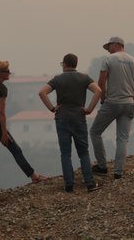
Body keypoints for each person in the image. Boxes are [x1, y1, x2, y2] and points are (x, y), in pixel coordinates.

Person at [0, 60, 46, 189]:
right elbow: (1, 112)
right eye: (7, 71)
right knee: (15, 150)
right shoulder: (2, 89)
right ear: (0, 74)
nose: (9, 73)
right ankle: (34, 176)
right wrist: (4, 134)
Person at [38, 53, 103, 193]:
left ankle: (69, 185)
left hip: (62, 117)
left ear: (65, 64)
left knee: (65, 153)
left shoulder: (57, 79)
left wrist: (52, 108)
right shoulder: (84, 78)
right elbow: (98, 91)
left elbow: (42, 92)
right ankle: (90, 184)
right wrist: (89, 109)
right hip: (79, 117)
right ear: (76, 64)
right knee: (83, 152)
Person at [89, 36, 134, 180]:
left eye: (109, 47)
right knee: (122, 139)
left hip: (112, 102)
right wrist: (132, 100)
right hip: (128, 103)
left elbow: (101, 83)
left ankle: (102, 166)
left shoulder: (109, 60)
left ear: (116, 45)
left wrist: (103, 100)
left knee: (95, 132)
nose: (108, 50)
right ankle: (118, 172)